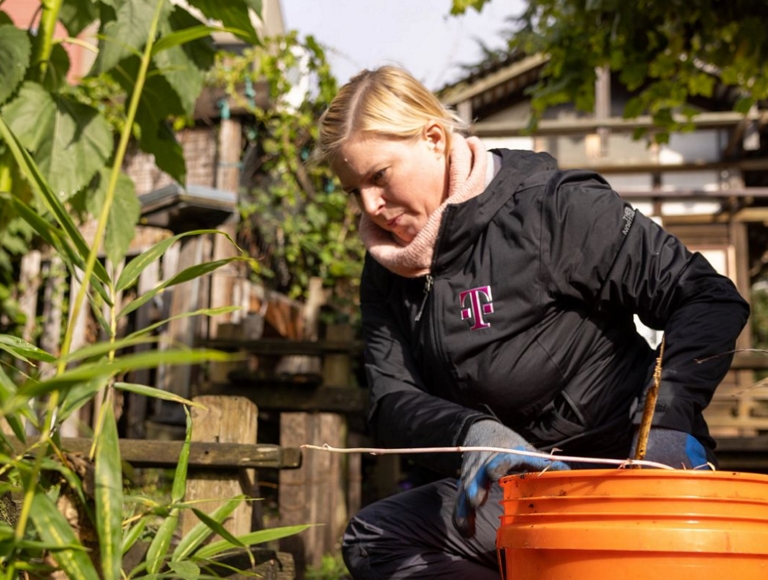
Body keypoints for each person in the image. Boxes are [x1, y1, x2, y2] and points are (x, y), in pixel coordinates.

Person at [315, 65, 750, 580]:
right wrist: (473, 432)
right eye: (352, 191)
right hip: (523, 495)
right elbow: (391, 400)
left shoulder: (555, 208)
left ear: (434, 139)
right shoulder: (386, 266)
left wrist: (668, 423)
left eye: (379, 176)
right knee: (377, 540)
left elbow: (707, 297)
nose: (370, 207)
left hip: (628, 476)